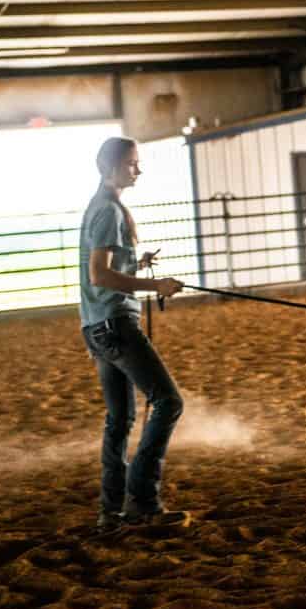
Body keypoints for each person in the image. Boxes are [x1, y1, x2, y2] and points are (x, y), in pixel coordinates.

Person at [79, 136, 186, 529]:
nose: (137, 170)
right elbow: (99, 274)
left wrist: (135, 264)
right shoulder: (108, 211)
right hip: (115, 323)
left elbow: (107, 269)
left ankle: (111, 511)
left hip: (97, 326)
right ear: (110, 167)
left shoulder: (102, 207)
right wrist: (156, 287)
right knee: (168, 402)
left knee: (120, 419)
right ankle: (142, 497)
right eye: (131, 164)